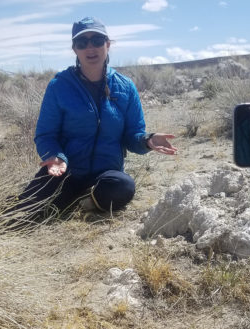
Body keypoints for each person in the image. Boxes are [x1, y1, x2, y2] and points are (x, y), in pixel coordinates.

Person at [10, 16, 177, 219]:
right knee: (24, 215)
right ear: (75, 49)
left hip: (105, 177)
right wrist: (54, 156)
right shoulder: (59, 86)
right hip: (64, 171)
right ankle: (65, 199)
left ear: (107, 44)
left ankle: (87, 202)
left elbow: (133, 135)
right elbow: (46, 134)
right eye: (82, 42)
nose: (91, 48)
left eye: (97, 41)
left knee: (123, 186)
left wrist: (147, 140)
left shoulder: (125, 87)